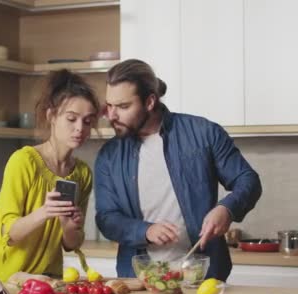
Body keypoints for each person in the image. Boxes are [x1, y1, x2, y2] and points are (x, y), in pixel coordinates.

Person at [94, 59, 262, 281]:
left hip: (202, 275)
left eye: (124, 106)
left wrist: (227, 209)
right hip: (139, 279)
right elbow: (106, 218)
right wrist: (145, 231)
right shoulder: (109, 155)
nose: (112, 116)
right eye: (110, 106)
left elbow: (247, 180)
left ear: (150, 101)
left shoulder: (203, 133)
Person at [0, 69, 99, 285]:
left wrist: (69, 227)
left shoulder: (83, 174)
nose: (80, 128)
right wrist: (44, 212)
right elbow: (9, 232)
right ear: (51, 116)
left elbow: (71, 243)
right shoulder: (24, 161)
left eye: (87, 121)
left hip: (43, 277)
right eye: (71, 119)